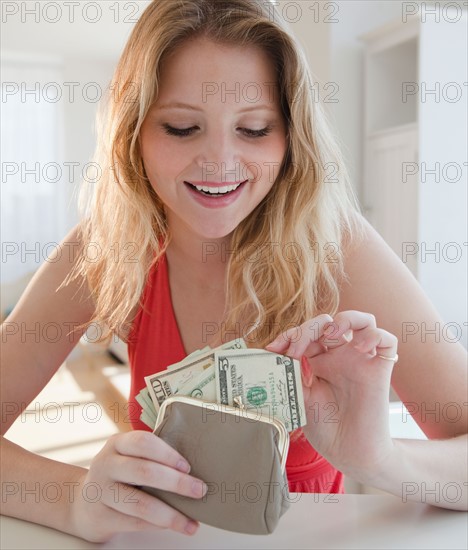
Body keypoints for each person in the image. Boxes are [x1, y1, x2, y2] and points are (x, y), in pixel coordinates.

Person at [1, 0, 467, 543]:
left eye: (254, 129)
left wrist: (381, 459)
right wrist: (73, 500)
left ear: (292, 138)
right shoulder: (107, 245)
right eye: (180, 128)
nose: (220, 162)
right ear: (134, 135)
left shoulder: (337, 247)